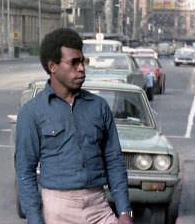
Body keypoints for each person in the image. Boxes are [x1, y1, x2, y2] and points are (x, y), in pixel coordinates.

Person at [15, 28, 133, 224]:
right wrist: (35, 220)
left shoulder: (99, 107)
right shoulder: (32, 112)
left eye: (82, 61)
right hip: (57, 209)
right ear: (53, 66)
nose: (81, 68)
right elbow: (25, 171)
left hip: (98, 206)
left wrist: (125, 212)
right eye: (73, 63)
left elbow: (114, 161)